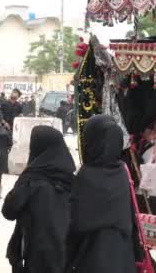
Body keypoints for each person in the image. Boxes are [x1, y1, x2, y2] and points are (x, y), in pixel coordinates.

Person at [66, 115, 138, 273]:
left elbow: (75, 223)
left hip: (91, 257)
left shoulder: (87, 176)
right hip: (122, 258)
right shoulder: (121, 171)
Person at [2, 126, 74, 273]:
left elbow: (8, 212)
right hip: (67, 257)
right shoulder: (74, 181)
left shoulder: (31, 180)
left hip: (35, 256)